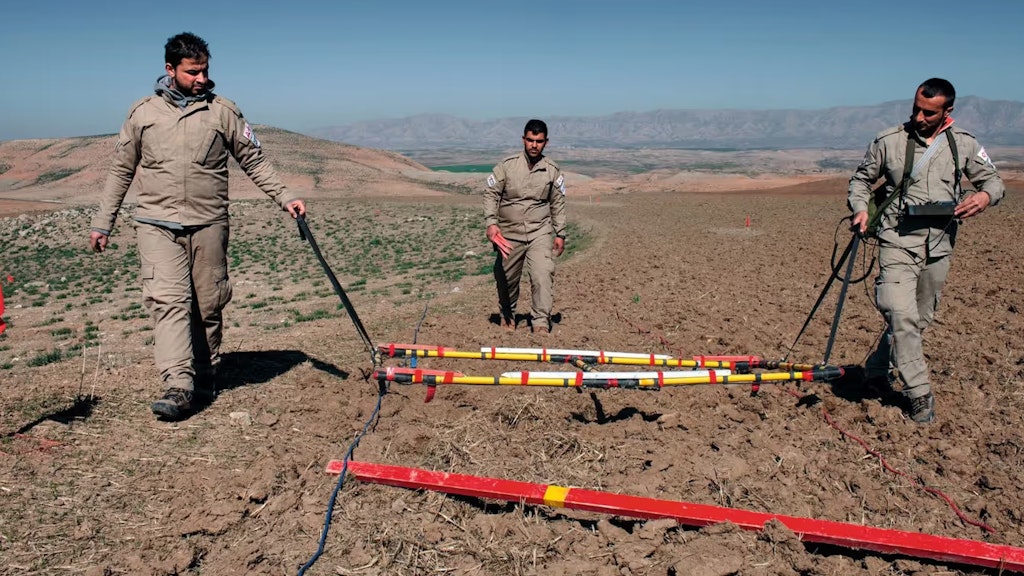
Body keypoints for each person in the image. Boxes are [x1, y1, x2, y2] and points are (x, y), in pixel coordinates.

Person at [89, 32, 305, 420]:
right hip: (156, 225)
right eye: (192, 72)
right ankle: (178, 385)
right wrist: (103, 223)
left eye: (205, 70)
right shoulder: (143, 113)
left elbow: (253, 160)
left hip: (209, 223)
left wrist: (285, 196)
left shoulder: (223, 112)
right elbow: (121, 169)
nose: (201, 79)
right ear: (170, 69)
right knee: (168, 302)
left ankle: (205, 374)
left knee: (208, 304)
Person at [848, 78, 1004, 423]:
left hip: (939, 244)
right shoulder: (889, 141)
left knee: (917, 319)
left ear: (948, 111)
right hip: (897, 240)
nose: (918, 117)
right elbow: (861, 180)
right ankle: (919, 393)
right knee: (898, 311)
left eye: (929, 113)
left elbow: (993, 181)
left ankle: (876, 370)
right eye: (916, 109)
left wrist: (984, 196)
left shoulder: (964, 144)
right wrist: (860, 208)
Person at [483, 119, 567, 334]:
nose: (534, 145)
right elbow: (491, 193)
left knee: (542, 274)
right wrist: (491, 223)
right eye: (530, 140)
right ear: (523, 140)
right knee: (507, 279)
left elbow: (557, 202)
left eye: (539, 141)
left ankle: (540, 322)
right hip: (509, 234)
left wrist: (560, 233)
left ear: (546, 142)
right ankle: (508, 314)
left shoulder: (551, 170)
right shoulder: (507, 166)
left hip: (540, 232)